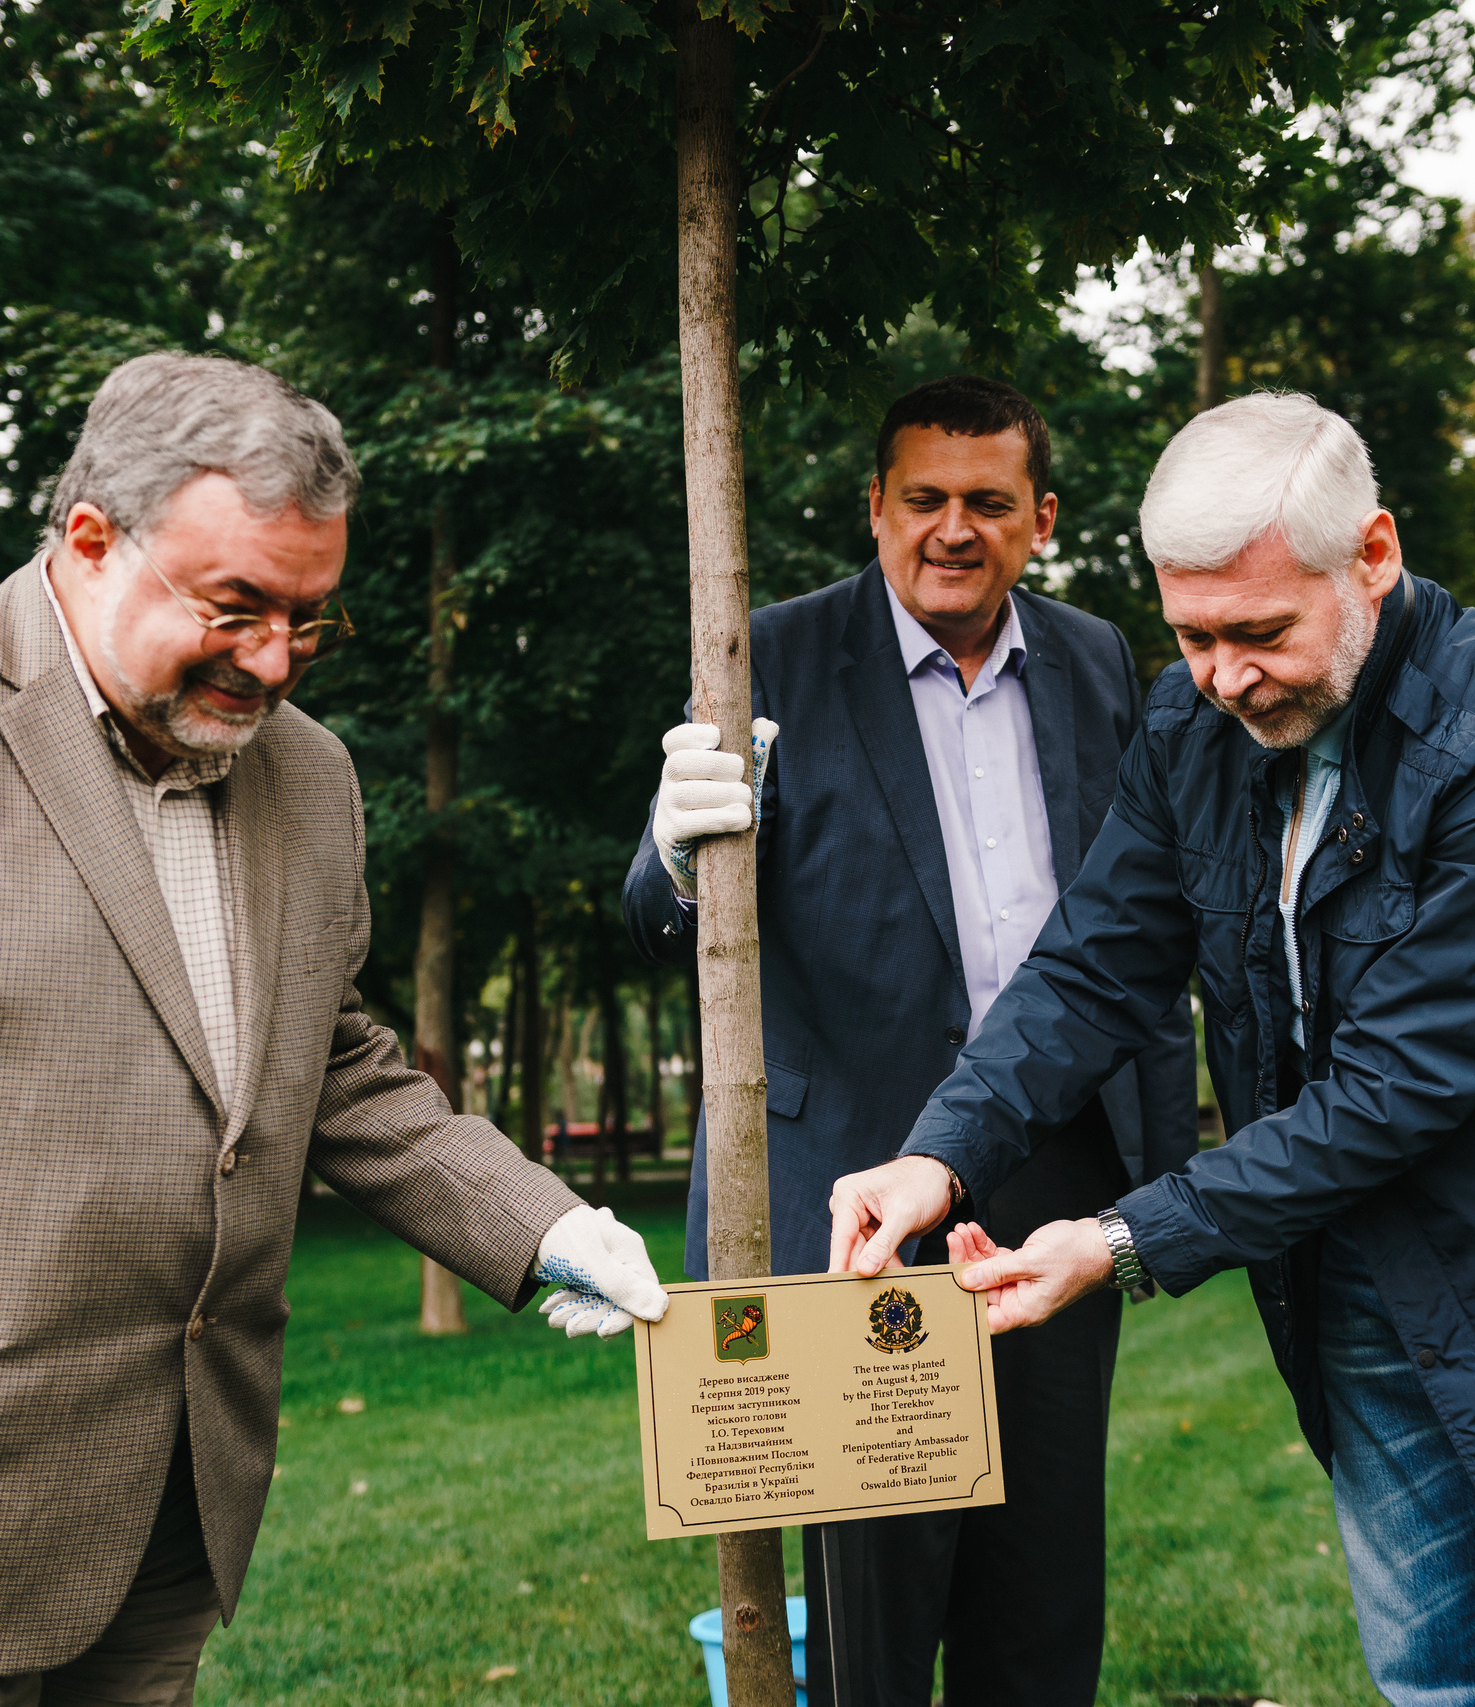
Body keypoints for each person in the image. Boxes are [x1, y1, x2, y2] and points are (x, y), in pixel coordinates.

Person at [0, 353, 668, 1706]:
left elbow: (327, 1063)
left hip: (169, 1527)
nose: (275, 662)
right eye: (238, 608)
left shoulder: (313, 777)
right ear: (92, 541)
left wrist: (539, 1226)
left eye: (309, 618)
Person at [829, 392, 1475, 1707]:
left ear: (1372, 554)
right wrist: (939, 1156)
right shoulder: (1190, 727)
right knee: (1432, 1678)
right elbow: (1098, 963)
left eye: (1260, 633)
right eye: (1193, 636)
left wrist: (1118, 1239)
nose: (1223, 678)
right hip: (1354, 1285)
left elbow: (1389, 1096)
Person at [626, 375, 1196, 1707]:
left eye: (988, 503)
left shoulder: (1097, 657)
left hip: (1054, 1167)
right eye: (925, 499)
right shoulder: (761, 648)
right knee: (874, 1615)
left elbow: (1139, 912)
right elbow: (667, 919)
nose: (955, 528)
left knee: (1046, 1593)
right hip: (852, 1184)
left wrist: (1154, 1153)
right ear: (875, 507)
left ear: (1040, 519)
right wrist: (673, 846)